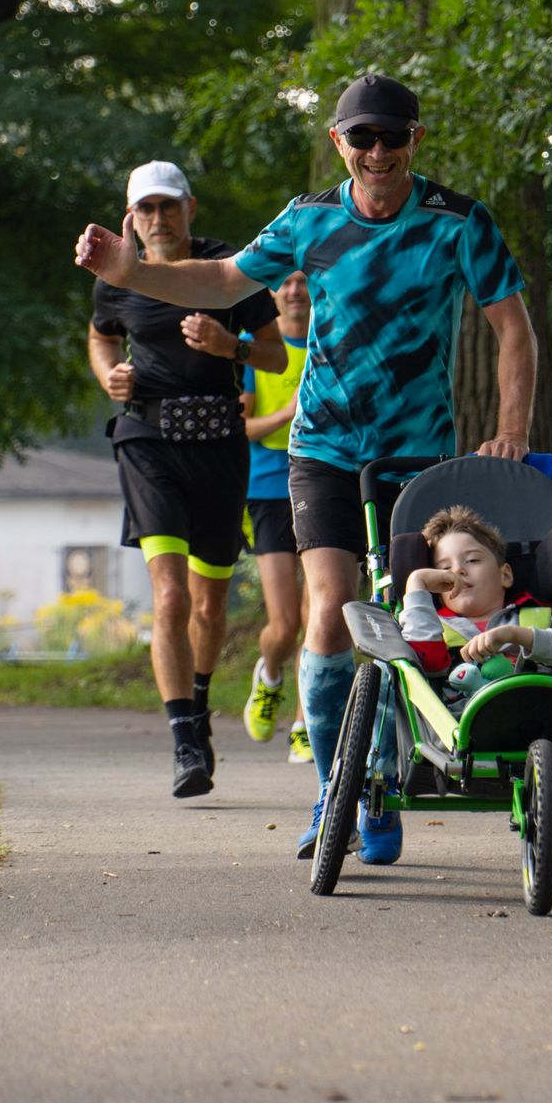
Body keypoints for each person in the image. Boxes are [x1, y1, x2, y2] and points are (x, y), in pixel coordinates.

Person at [76, 75, 537, 862]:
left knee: (406, 624)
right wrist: (127, 272)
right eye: (363, 138)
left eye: (393, 137)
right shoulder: (309, 220)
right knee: (327, 613)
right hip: (322, 449)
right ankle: (338, 789)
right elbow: (222, 281)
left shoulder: (457, 223)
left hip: (414, 452)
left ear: (415, 139)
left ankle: (387, 770)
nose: (379, 152)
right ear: (339, 144)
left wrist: (510, 431)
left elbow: (511, 326)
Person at [87, 160, 285, 799]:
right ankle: (182, 741)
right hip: (146, 441)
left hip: (220, 446)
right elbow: (100, 337)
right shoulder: (116, 272)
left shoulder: (230, 271)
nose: (157, 219)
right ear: (130, 216)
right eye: (145, 209)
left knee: (210, 603)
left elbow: (276, 354)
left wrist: (232, 347)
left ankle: (198, 708)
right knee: (170, 598)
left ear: (190, 209)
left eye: (167, 206)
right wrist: (109, 374)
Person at [239, 270, 314, 763]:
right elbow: (240, 426)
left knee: (322, 614)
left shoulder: (333, 340)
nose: (293, 292)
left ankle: (307, 722)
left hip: (326, 482)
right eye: (284, 283)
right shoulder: (249, 345)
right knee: (284, 624)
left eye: (303, 282)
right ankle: (268, 676)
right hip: (268, 489)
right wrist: (289, 412)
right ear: (271, 293)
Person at [399, 504, 552, 678]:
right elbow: (425, 666)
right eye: (444, 569)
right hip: (460, 718)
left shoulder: (546, 615)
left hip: (546, 708)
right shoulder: (433, 628)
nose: (458, 570)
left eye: (472, 560)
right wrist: (417, 582)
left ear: (505, 575)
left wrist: (515, 635)